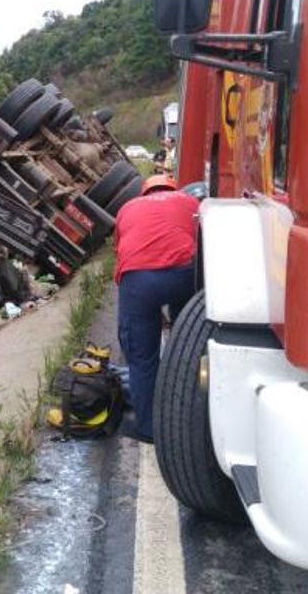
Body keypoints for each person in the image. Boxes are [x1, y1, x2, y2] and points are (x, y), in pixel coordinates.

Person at [113, 174, 199, 443]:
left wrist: (151, 307)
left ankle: (149, 429)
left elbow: (125, 249)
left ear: (144, 192)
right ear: (174, 188)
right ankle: (189, 418)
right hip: (184, 273)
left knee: (142, 357)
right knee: (189, 343)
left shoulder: (127, 208)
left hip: (138, 280)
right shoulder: (191, 201)